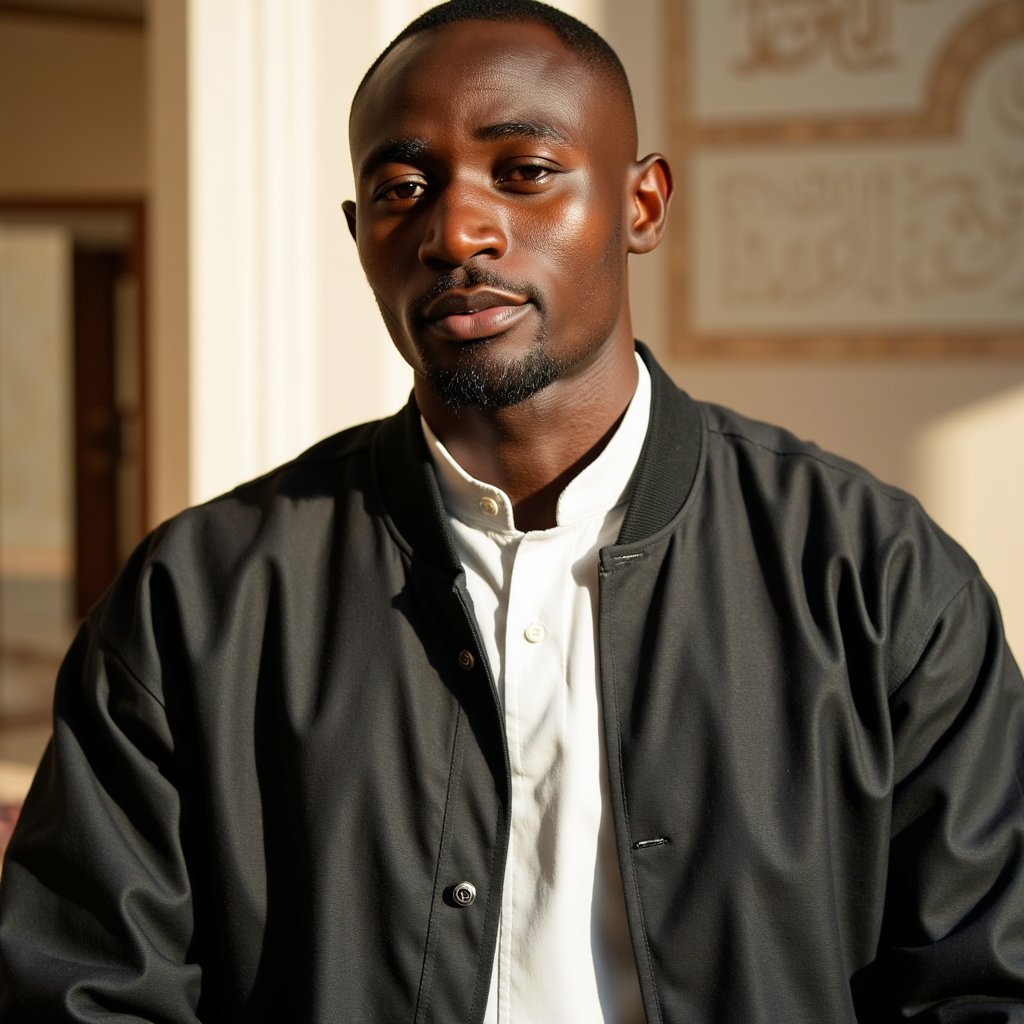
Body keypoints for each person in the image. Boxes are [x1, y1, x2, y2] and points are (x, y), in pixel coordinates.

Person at [2, 0, 1023, 1020]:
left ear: (642, 205)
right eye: (403, 190)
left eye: (525, 172)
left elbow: (986, 985)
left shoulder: (875, 578)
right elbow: (84, 990)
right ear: (360, 237)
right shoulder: (198, 599)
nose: (456, 231)